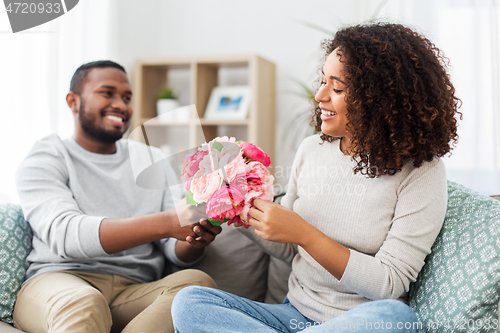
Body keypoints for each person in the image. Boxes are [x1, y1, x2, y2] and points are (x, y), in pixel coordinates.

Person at [171, 22, 461, 332]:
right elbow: (289, 248)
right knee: (189, 302)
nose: (320, 95)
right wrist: (233, 202)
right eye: (323, 81)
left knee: (396, 319)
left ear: (380, 100)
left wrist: (305, 233)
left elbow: (390, 282)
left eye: (337, 88)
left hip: (358, 322)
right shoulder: (312, 150)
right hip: (291, 316)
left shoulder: (421, 171)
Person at [14, 60, 221, 333]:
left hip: (132, 290)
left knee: (197, 284)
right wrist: (169, 222)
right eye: (107, 93)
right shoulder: (47, 156)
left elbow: (174, 250)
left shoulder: (151, 158)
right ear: (73, 101)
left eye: (127, 97)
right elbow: (65, 235)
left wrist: (195, 236)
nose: (121, 105)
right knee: (85, 303)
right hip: (59, 281)